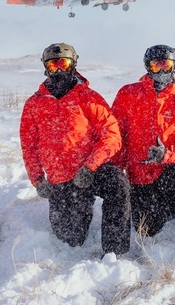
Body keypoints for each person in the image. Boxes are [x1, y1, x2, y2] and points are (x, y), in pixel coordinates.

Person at [20, 43, 130, 255]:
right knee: (71, 239)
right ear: (45, 67)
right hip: (61, 179)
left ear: (73, 64)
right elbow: (29, 146)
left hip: (92, 170)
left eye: (64, 63)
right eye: (53, 65)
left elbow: (112, 136)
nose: (59, 69)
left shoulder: (88, 97)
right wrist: (37, 180)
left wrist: (90, 167)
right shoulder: (34, 104)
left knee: (118, 183)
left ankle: (115, 251)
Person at [111, 45, 175, 254]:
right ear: (148, 67)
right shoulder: (128, 94)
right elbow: (115, 136)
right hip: (141, 176)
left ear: (174, 66)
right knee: (147, 228)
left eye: (166, 65)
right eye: (156, 66)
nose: (162, 71)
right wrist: (114, 170)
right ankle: (170, 207)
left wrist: (168, 154)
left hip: (170, 171)